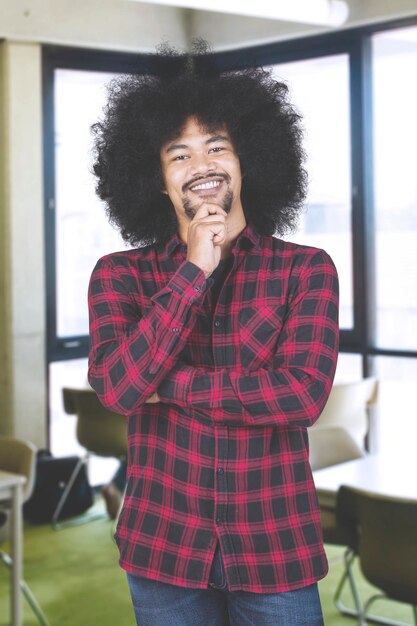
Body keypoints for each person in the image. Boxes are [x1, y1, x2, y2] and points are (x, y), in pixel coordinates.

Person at [88, 42, 339, 626]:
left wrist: (168, 385)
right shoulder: (118, 274)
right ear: (156, 179)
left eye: (217, 147)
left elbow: (301, 396)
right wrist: (193, 270)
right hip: (163, 547)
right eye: (179, 155)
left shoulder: (307, 269)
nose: (201, 165)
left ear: (248, 159)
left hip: (275, 548)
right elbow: (119, 391)